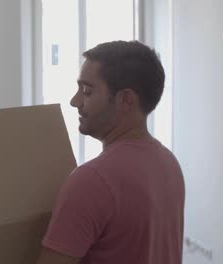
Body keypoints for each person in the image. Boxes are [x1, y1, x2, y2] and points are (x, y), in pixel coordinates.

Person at [36, 41, 185, 264]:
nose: (75, 101)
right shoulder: (169, 163)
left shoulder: (91, 180)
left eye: (86, 90)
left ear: (125, 99)